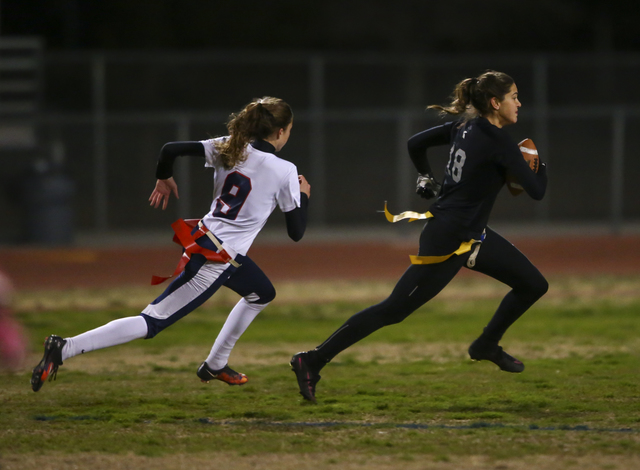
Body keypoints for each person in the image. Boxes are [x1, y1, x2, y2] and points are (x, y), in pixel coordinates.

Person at [291, 70, 548, 403]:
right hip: (448, 239)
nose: (519, 103)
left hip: (470, 234)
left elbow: (416, 143)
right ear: (496, 103)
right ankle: (311, 359)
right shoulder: (498, 141)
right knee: (393, 310)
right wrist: (539, 164)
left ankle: (486, 344)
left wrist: (426, 175)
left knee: (533, 285)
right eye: (514, 96)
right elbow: (537, 191)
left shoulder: (464, 126)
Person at [31, 96, 311, 392]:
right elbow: (297, 232)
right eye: (289, 130)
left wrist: (163, 176)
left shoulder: (231, 145)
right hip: (215, 259)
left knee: (262, 292)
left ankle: (215, 364)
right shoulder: (284, 170)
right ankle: (64, 348)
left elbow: (170, 150)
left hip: (206, 240)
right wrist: (303, 195)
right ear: (280, 132)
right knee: (152, 322)